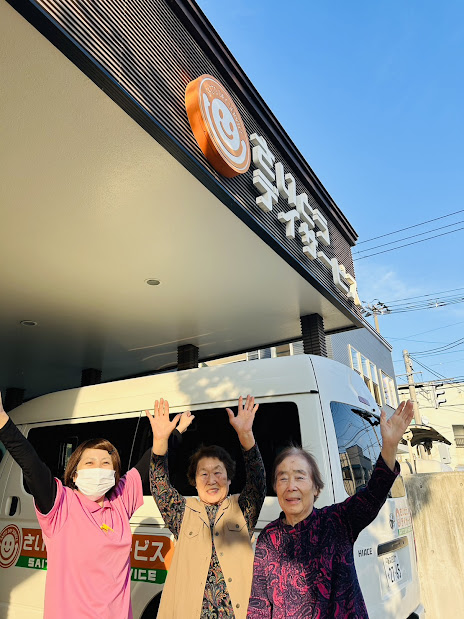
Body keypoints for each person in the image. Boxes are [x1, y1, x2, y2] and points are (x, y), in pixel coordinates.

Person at [0, 391, 192, 618]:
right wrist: (3, 422)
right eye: (89, 463)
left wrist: (168, 437)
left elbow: (147, 466)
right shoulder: (61, 504)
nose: (98, 469)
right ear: (74, 474)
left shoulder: (120, 500)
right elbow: (31, 464)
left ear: (114, 474)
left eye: (105, 464)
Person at [247, 400, 414, 619]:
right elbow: (258, 605)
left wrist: (390, 447)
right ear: (276, 487)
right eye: (283, 478)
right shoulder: (268, 538)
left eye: (300, 477)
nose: (291, 486)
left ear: (316, 487)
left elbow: (375, 493)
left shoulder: (338, 521)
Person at [147, 395, 266, 619]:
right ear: (194, 481)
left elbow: (257, 480)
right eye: (203, 474)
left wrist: (246, 436)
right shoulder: (182, 512)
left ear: (229, 479)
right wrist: (160, 442)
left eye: (218, 472)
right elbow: (159, 484)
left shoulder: (242, 508)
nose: (211, 480)